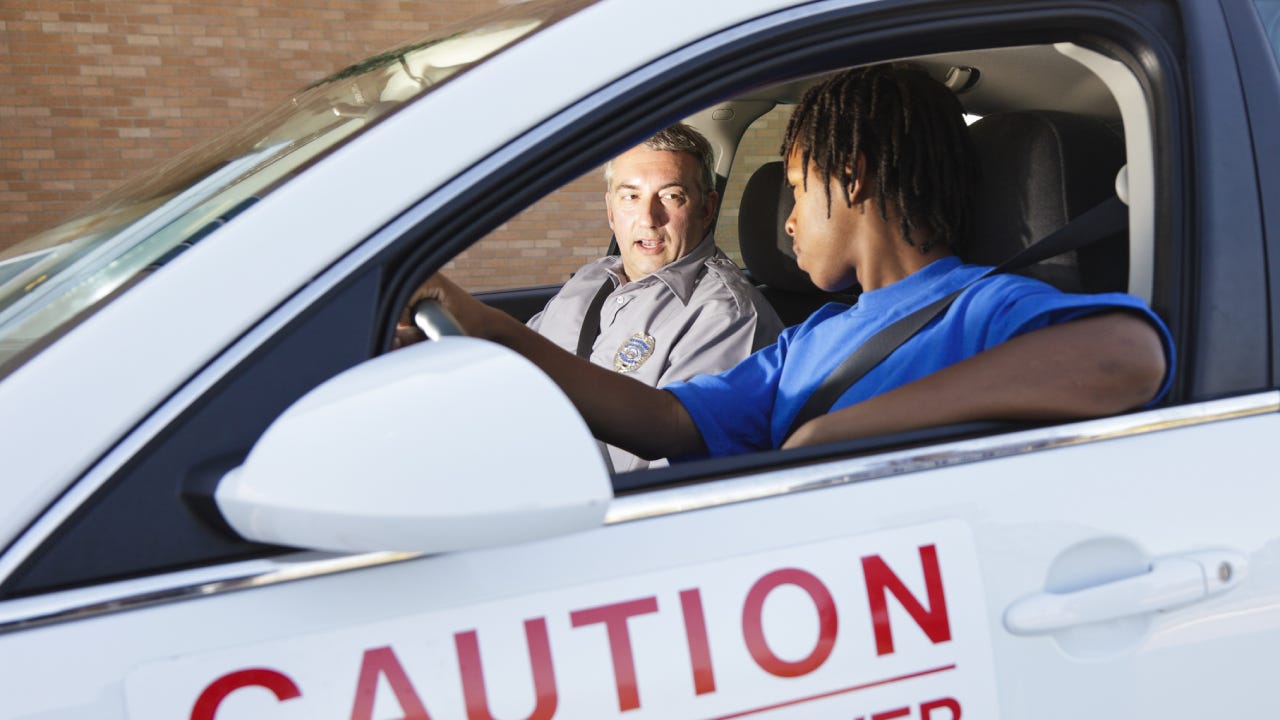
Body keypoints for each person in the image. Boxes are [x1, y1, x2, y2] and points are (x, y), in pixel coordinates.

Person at [404, 63, 1172, 465]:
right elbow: (671, 419)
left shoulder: (981, 305)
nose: (789, 215)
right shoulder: (813, 338)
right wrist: (492, 328)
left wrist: (837, 435)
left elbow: (1124, 357)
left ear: (857, 175)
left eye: (800, 187)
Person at [404, 123, 783, 472]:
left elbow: (673, 472)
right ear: (610, 211)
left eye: (670, 196)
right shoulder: (590, 279)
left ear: (707, 210)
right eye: (630, 196)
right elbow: (516, 371)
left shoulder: (724, 315)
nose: (648, 217)